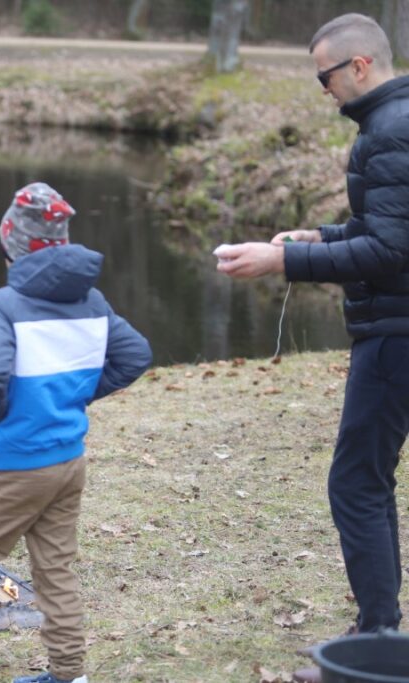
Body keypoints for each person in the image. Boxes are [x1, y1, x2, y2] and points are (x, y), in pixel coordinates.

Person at [214, 12, 409, 681]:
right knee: (368, 478)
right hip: (395, 326)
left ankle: (377, 643)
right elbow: (384, 226)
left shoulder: (390, 131)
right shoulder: (395, 121)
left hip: (396, 333)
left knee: (356, 482)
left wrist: (283, 262)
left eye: (325, 76)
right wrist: (318, 238)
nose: (323, 89)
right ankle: (379, 629)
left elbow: (390, 250)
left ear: (359, 65)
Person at [0, 182, 152, 683]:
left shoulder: (7, 302)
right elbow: (135, 355)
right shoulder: (93, 300)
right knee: (55, 569)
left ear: (11, 244)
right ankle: (69, 675)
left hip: (19, 463)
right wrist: (74, 397)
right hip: (69, 461)